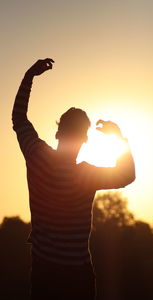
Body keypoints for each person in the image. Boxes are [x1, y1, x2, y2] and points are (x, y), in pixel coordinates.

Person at [12, 58, 135, 300]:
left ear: (58, 132)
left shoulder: (37, 155)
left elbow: (19, 118)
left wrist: (29, 76)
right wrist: (119, 139)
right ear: (85, 139)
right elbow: (127, 176)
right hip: (77, 276)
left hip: (44, 272)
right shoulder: (86, 175)